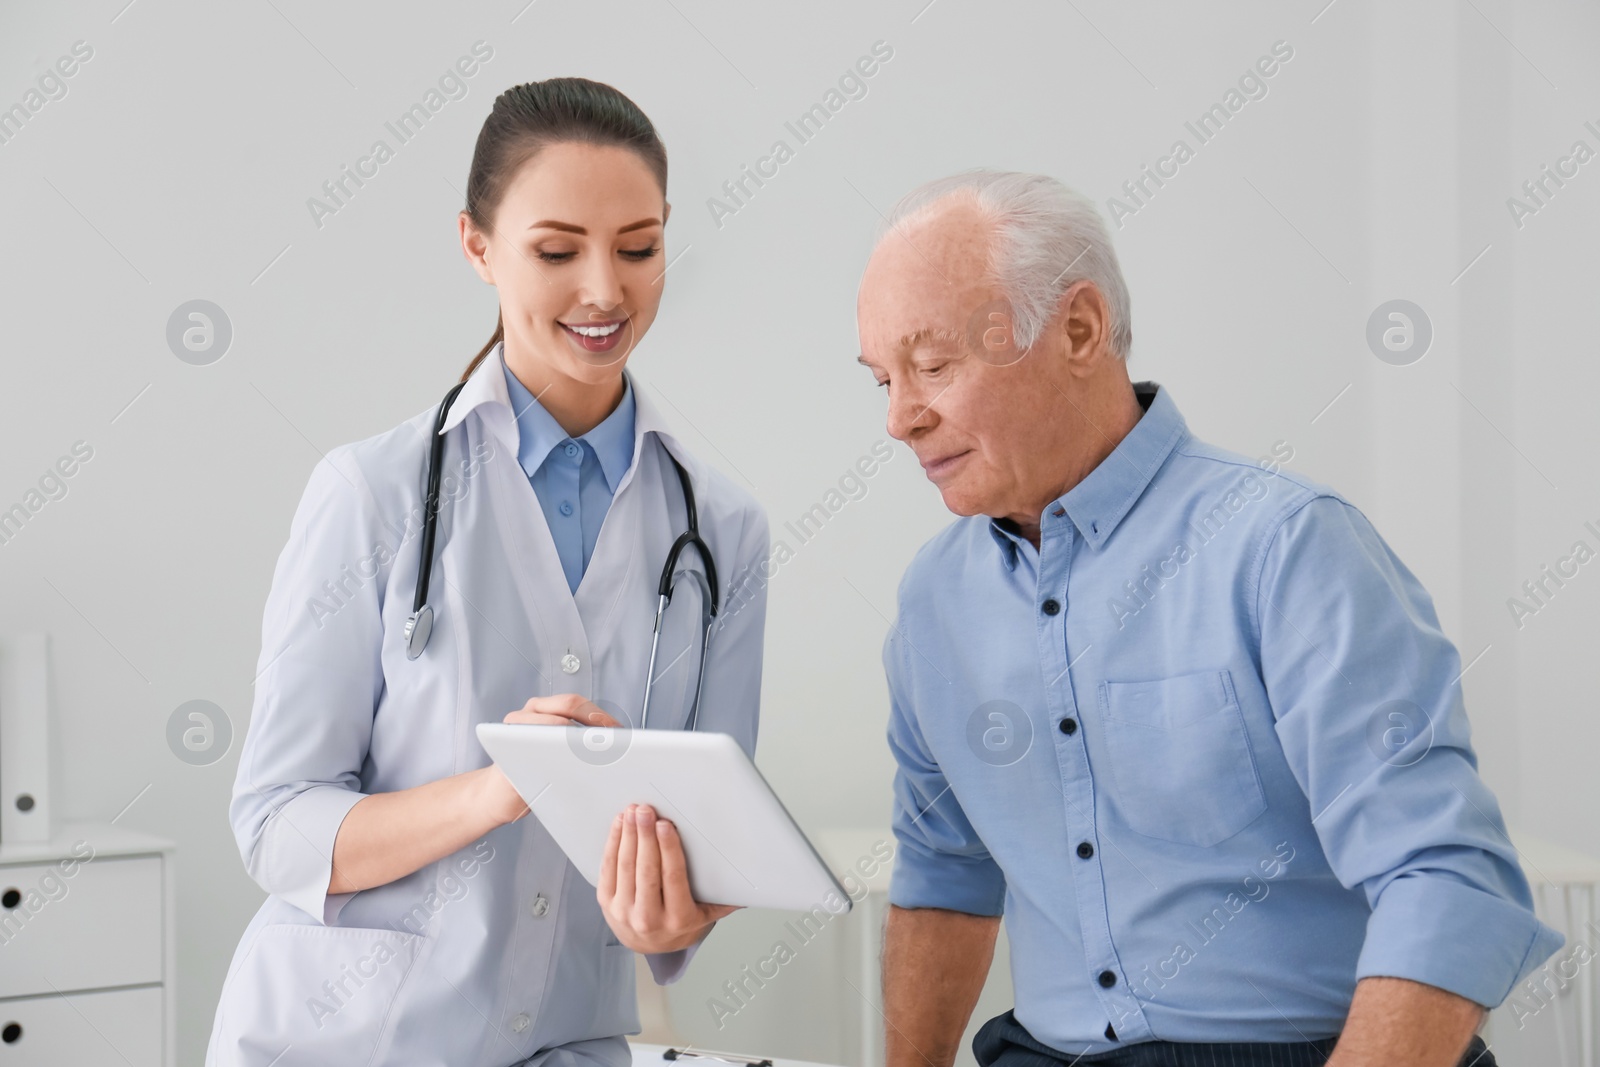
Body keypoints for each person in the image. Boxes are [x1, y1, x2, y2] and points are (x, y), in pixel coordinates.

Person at [854, 169, 1561, 1067]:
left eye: (933, 365)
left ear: (1079, 328)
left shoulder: (1288, 548)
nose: (900, 418)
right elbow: (945, 876)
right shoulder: (932, 602)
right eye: (881, 379)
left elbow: (1451, 883)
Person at [205, 77, 770, 1067]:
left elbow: (691, 878)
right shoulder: (371, 493)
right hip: (343, 1043)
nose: (604, 289)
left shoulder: (721, 529)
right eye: (556, 251)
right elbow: (279, 827)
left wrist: (671, 914)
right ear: (477, 246)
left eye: (638, 246)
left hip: (568, 1041)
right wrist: (503, 786)